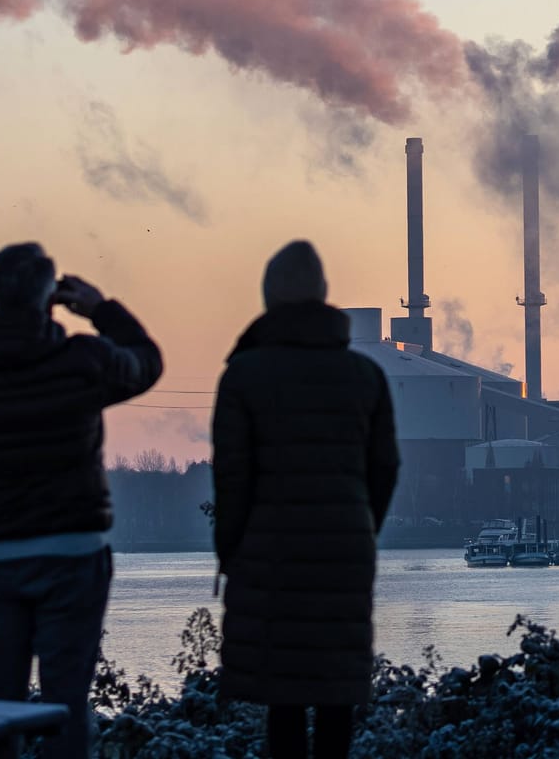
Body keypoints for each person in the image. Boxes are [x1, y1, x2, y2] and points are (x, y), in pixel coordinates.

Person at [0, 242, 162, 758]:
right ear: (51, 303)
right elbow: (146, 363)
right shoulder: (83, 361)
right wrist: (101, 308)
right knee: (66, 702)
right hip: (73, 553)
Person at [212, 240, 399, 759]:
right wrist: (361, 528)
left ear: (269, 297)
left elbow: (231, 478)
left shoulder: (244, 376)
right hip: (343, 558)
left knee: (284, 698)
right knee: (336, 692)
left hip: (269, 559)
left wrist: (231, 551)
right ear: (323, 295)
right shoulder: (366, 376)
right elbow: (385, 468)